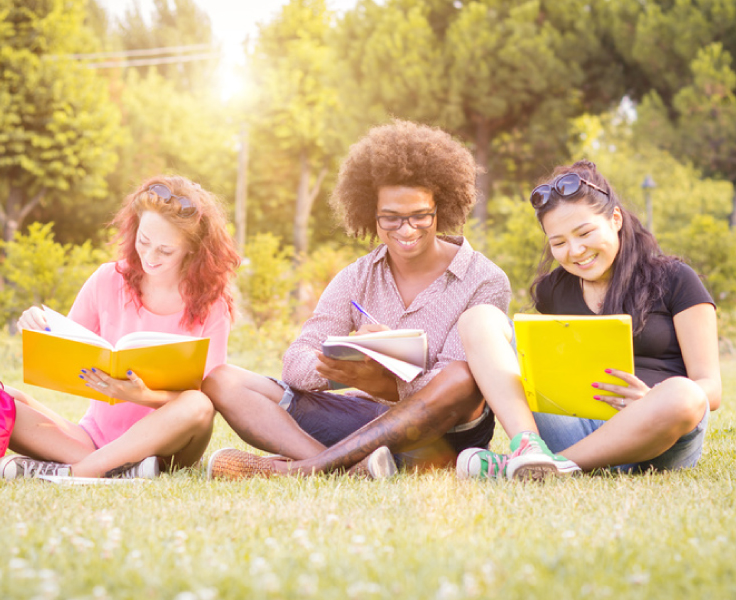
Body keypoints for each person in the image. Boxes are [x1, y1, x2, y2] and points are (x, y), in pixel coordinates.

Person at [203, 120, 511, 479]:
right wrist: (345, 361)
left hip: (442, 433)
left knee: (459, 377)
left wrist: (380, 380)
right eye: (391, 218)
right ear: (371, 214)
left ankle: (306, 470)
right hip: (363, 422)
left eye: (420, 215)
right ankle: (348, 465)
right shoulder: (355, 277)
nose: (407, 229)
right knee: (223, 380)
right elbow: (296, 363)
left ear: (440, 208)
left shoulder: (485, 279)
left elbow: (459, 387)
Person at [456, 160, 722, 479]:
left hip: (660, 433)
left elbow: (711, 388)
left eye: (585, 233)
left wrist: (651, 398)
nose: (576, 250)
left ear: (615, 219)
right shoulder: (553, 290)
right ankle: (531, 451)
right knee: (479, 318)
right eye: (559, 243)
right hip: (575, 424)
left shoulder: (676, 278)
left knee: (685, 394)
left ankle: (547, 466)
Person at [0, 175, 240, 479]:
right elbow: (67, 348)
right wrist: (38, 325)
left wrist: (142, 395)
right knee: (1, 400)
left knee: (197, 403)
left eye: (165, 251)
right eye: (144, 241)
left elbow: (210, 398)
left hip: (169, 447)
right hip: (94, 440)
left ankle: (74, 474)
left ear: (192, 248)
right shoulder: (107, 278)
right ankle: (117, 469)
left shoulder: (211, 303)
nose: (150, 257)